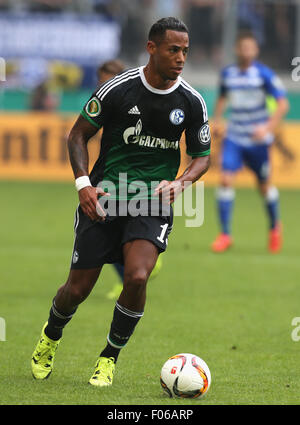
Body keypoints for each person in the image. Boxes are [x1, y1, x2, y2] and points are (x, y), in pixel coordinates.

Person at [31, 17, 211, 387]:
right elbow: (77, 135)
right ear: (152, 48)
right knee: (76, 291)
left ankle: (108, 358)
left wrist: (183, 182)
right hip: (106, 197)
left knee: (138, 276)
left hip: (152, 201)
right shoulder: (119, 89)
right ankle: (50, 336)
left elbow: (203, 155)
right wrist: (83, 184)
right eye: (173, 50)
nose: (180, 58)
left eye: (185, 51)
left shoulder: (191, 101)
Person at [211, 31, 289, 254]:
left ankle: (275, 227)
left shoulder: (264, 74)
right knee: (225, 180)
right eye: (243, 47)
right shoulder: (228, 74)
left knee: (264, 187)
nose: (246, 51)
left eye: (250, 48)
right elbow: (222, 97)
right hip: (235, 136)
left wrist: (267, 128)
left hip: (258, 141)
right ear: (237, 49)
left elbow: (282, 105)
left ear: (256, 51)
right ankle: (225, 234)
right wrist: (217, 121)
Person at [96, 59, 163, 300]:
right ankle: (130, 274)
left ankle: (148, 252)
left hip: (132, 179)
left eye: (107, 79)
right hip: (109, 177)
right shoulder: (108, 99)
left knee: (119, 228)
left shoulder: (131, 101)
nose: (102, 85)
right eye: (100, 80)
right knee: (108, 231)